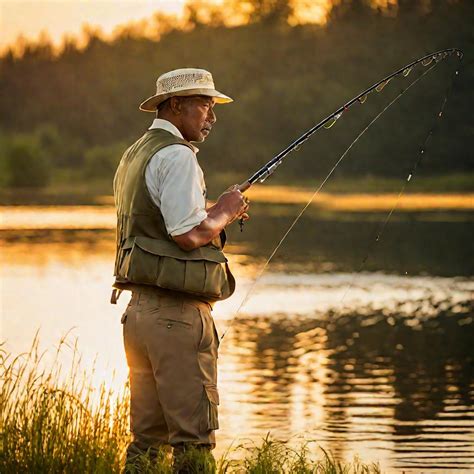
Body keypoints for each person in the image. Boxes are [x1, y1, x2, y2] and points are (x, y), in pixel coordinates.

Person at [111, 68, 249, 472]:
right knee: (193, 442)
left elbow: (167, 224)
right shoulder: (177, 155)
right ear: (175, 105)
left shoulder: (135, 153)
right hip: (175, 317)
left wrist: (215, 214)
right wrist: (225, 210)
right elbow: (188, 235)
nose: (212, 116)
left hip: (138, 314)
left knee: (146, 443)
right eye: (205, 105)